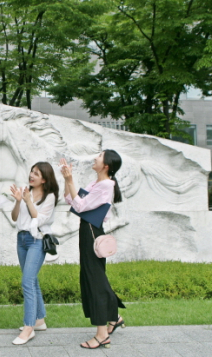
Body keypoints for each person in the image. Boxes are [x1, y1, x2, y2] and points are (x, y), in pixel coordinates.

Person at [60, 150, 126, 350]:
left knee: (94, 281)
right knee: (95, 278)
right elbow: (70, 200)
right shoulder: (97, 183)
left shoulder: (106, 185)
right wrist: (67, 179)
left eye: (99, 155)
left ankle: (102, 335)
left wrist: (71, 180)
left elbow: (80, 206)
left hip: (92, 232)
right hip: (87, 231)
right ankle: (114, 317)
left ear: (106, 165)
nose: (95, 157)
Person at [10, 162, 59, 345]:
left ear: (44, 179)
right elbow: (15, 218)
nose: (31, 175)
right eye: (31, 171)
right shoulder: (24, 191)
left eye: (36, 173)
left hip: (37, 240)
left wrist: (28, 200)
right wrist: (17, 201)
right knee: (32, 280)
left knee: (27, 281)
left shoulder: (50, 197)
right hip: (22, 239)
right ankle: (39, 320)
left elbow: (38, 219)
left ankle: (29, 327)